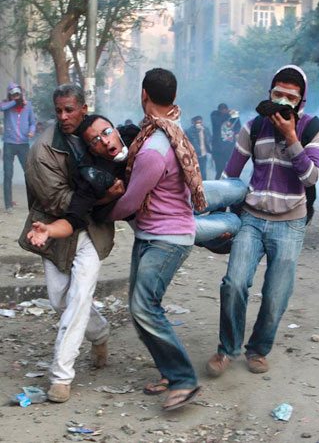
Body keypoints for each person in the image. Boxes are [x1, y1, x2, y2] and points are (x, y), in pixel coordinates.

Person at [206, 65, 319, 377]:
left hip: (291, 223)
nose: (283, 102)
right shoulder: (254, 126)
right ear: (269, 94)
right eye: (277, 94)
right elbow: (230, 174)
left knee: (276, 294)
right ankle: (227, 348)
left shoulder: (313, 129)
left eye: (291, 98)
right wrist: (221, 216)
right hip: (252, 218)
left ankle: (258, 349)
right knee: (233, 284)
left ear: (301, 101)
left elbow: (311, 178)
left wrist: (291, 137)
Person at [108, 68, 205, 411]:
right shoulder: (169, 129)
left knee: (143, 306)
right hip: (152, 233)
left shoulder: (154, 148)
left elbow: (131, 202)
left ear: (144, 94)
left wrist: (99, 214)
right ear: (172, 97)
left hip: (168, 238)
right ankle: (169, 371)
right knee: (143, 308)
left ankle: (184, 379)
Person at [27, 114, 246, 255]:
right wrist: (49, 230)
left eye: (106, 132)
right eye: (95, 141)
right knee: (229, 224)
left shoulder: (135, 135)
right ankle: (240, 230)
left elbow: (164, 122)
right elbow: (72, 219)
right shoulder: (93, 176)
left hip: (177, 192)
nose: (105, 141)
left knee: (238, 189)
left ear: (115, 129)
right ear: (91, 149)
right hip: (157, 218)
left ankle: (241, 220)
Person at [18, 84, 113, 403]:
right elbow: (59, 202)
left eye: (69, 109)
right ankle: (100, 332)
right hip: (54, 228)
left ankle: (61, 376)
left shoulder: (99, 132)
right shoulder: (42, 151)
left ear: (83, 108)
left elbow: (121, 160)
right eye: (58, 110)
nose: (63, 116)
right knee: (60, 299)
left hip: (92, 229)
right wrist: (107, 196)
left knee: (80, 295)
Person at [1, 83, 37, 213]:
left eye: (17, 94)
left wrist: (32, 131)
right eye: (13, 94)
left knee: (29, 174)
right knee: (8, 175)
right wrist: (15, 101)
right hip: (9, 144)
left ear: (21, 94)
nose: (15, 96)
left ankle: (33, 203)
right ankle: (8, 205)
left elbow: (32, 122)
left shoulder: (28, 106)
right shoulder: (6, 105)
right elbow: (1, 107)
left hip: (23, 144)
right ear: (10, 95)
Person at [211, 103, 241, 179]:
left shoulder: (232, 116)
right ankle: (217, 183)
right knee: (220, 169)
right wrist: (229, 114)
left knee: (232, 168)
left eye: (225, 110)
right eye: (222, 110)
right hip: (218, 149)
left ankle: (231, 183)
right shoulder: (214, 115)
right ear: (219, 110)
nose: (223, 111)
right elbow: (217, 122)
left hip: (229, 147)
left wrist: (235, 115)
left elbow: (238, 126)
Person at [185, 115, 212, 180]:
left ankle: (204, 183)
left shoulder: (205, 129)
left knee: (203, 171)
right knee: (195, 171)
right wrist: (198, 131)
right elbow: (191, 141)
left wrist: (203, 132)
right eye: (197, 122)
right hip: (194, 154)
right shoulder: (189, 131)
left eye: (200, 122)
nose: (199, 124)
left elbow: (209, 139)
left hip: (204, 154)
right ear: (193, 123)